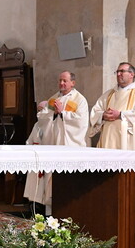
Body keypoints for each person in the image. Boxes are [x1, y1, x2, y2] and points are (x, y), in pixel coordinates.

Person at [89, 62, 135, 212]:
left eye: (122, 71)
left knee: (129, 178)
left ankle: (132, 212)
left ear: (132, 74)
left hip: (129, 143)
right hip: (108, 142)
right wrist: (102, 116)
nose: (118, 74)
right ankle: (108, 209)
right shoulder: (109, 94)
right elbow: (95, 111)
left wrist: (121, 114)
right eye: (117, 71)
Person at [23, 71, 88, 211]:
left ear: (73, 83)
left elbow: (81, 122)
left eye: (65, 81)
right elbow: (42, 117)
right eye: (60, 80)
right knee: (51, 179)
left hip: (69, 146)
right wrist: (54, 113)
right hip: (53, 144)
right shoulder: (53, 99)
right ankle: (50, 211)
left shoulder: (79, 100)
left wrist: (63, 113)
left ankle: (67, 209)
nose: (61, 83)